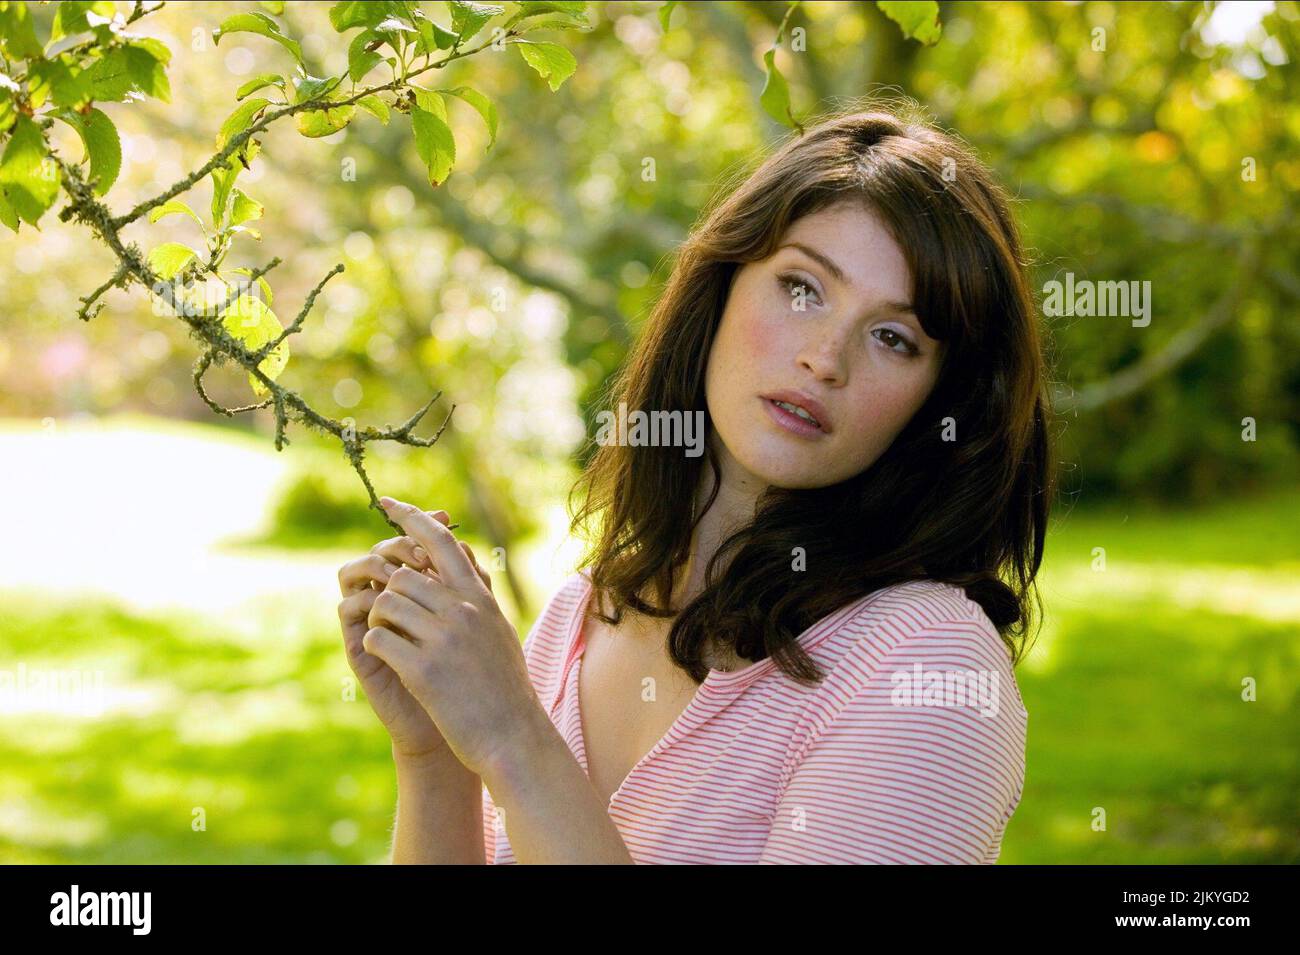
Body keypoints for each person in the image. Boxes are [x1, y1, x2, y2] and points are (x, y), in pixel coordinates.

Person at [335, 101, 1056, 864]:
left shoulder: (925, 667)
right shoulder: (580, 615)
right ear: (721, 287)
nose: (826, 357)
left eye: (892, 337)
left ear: (937, 400)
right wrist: (439, 753)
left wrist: (512, 737)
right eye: (803, 288)